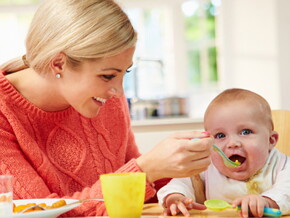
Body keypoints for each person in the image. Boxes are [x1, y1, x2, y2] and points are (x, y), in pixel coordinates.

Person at [0, 0, 214, 216]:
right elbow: (41, 213)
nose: (118, 92)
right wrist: (146, 170)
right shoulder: (4, 112)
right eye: (108, 76)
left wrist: (174, 189)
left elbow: (140, 194)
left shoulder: (104, 98)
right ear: (58, 64)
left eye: (124, 73)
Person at [157, 88, 290, 218]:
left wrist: (267, 201)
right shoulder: (206, 166)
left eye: (246, 132)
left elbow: (287, 189)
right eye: (220, 135)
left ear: (271, 140)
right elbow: (180, 182)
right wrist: (175, 197)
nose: (232, 143)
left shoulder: (281, 165)